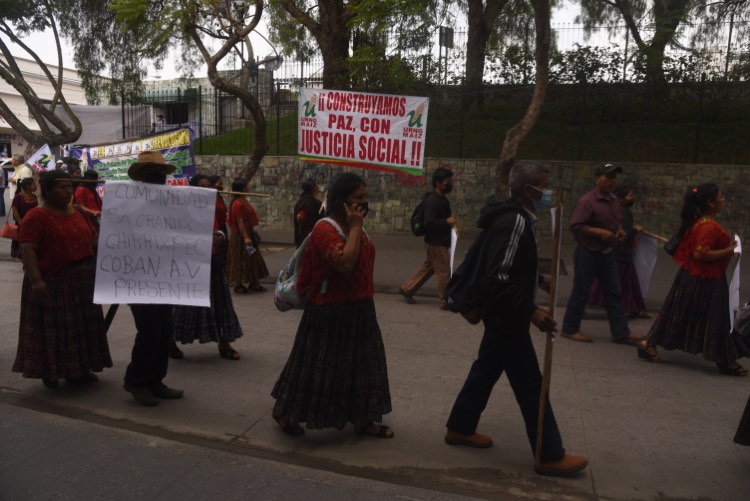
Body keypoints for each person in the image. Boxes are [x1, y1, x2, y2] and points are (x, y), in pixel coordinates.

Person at [444, 162, 588, 477]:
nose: (547, 193)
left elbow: (509, 261)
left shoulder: (516, 217)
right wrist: (532, 311)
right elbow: (499, 276)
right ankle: (549, 454)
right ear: (529, 191)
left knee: (485, 371)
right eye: (544, 187)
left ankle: (459, 426)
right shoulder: (515, 221)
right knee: (531, 385)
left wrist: (536, 279)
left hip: (502, 314)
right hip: (508, 316)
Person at [271, 172, 393, 438]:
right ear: (341, 201)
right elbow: (345, 264)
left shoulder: (353, 225)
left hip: (360, 309)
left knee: (361, 367)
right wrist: (357, 226)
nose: (364, 203)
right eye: (358, 198)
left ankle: (363, 418)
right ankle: (284, 412)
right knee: (314, 368)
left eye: (366, 198)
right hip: (329, 312)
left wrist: (357, 227)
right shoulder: (325, 229)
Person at [637, 183, 750, 374]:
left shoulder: (702, 222)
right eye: (720, 197)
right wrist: (729, 250)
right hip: (704, 279)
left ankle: (649, 343)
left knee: (679, 313)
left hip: (697, 277)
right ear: (710, 202)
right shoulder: (708, 226)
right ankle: (724, 360)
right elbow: (700, 254)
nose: (723, 200)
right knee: (716, 320)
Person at [12, 170, 111, 388]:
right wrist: (37, 281)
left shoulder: (79, 213)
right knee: (56, 332)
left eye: (69, 187)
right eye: (62, 187)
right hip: (53, 283)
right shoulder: (36, 217)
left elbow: (93, 242)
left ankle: (81, 370)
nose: (68, 191)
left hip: (82, 283)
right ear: (46, 190)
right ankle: (52, 371)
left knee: (81, 329)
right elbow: (28, 249)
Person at [122, 151, 184, 406]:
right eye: (152, 175)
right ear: (141, 177)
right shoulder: (126, 203)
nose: (158, 179)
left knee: (164, 333)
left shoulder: (173, 203)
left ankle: (155, 379)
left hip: (164, 278)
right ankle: (135, 381)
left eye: (160, 174)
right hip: (137, 279)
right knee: (149, 332)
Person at [560, 163, 642, 344]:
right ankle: (570, 328)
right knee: (581, 292)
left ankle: (621, 332)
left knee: (615, 292)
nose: (611, 181)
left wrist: (619, 231)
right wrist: (599, 232)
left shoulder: (614, 200)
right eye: (607, 177)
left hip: (607, 254)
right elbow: (575, 226)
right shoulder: (587, 201)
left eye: (613, 177)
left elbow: (615, 222)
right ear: (597, 179)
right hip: (588, 253)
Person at [170, 174, 244, 361]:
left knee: (221, 302)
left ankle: (224, 343)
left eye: (208, 186)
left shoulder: (213, 204)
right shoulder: (184, 208)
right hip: (191, 263)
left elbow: (220, 225)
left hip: (212, 260)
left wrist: (217, 235)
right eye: (201, 186)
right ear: (192, 188)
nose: (206, 189)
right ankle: (169, 342)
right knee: (183, 304)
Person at [587, 184, 649, 318]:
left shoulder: (617, 210)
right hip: (621, 252)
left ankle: (626, 307)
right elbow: (624, 235)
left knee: (616, 280)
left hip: (617, 251)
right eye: (630, 196)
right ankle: (624, 308)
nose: (632, 198)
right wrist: (636, 230)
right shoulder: (623, 212)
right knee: (620, 281)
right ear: (621, 198)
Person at [399, 167, 457, 309]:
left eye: (451, 181)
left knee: (430, 267)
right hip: (436, 242)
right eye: (447, 181)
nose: (450, 184)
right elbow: (429, 222)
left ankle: (407, 289)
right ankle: (445, 300)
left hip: (438, 240)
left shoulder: (440, 198)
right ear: (438, 183)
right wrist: (446, 222)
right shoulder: (433, 200)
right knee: (444, 272)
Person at [227, 179, 269, 293]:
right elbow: (240, 221)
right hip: (241, 236)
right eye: (247, 186)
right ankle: (239, 284)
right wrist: (246, 237)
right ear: (243, 188)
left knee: (252, 258)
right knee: (240, 260)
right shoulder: (238, 203)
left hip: (247, 233)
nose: (248, 187)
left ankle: (253, 282)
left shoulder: (242, 201)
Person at [10, 178, 39, 259]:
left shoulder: (34, 197)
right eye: (33, 184)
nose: (35, 185)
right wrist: (21, 222)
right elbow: (15, 211)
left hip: (32, 224)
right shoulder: (19, 197)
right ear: (27, 186)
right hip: (22, 223)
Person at [293, 179, 322, 247]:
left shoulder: (299, 203)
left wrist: (297, 241)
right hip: (312, 239)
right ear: (314, 188)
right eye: (317, 185)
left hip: (302, 238)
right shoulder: (315, 203)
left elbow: (296, 226)